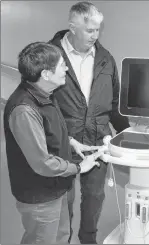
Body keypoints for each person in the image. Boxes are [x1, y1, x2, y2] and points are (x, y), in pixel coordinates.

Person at [3, 42, 102, 244]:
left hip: (56, 187)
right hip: (40, 195)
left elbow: (50, 130)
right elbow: (42, 163)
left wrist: (72, 142)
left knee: (61, 237)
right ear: (46, 74)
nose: (66, 68)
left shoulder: (46, 93)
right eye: (62, 65)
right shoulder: (24, 109)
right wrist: (78, 167)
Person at [49, 2, 130, 243]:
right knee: (64, 199)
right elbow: (43, 103)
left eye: (98, 30)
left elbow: (115, 102)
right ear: (72, 27)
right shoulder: (50, 56)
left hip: (97, 139)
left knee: (94, 197)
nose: (95, 36)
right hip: (63, 140)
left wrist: (128, 134)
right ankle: (62, 239)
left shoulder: (105, 58)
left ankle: (88, 239)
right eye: (90, 30)